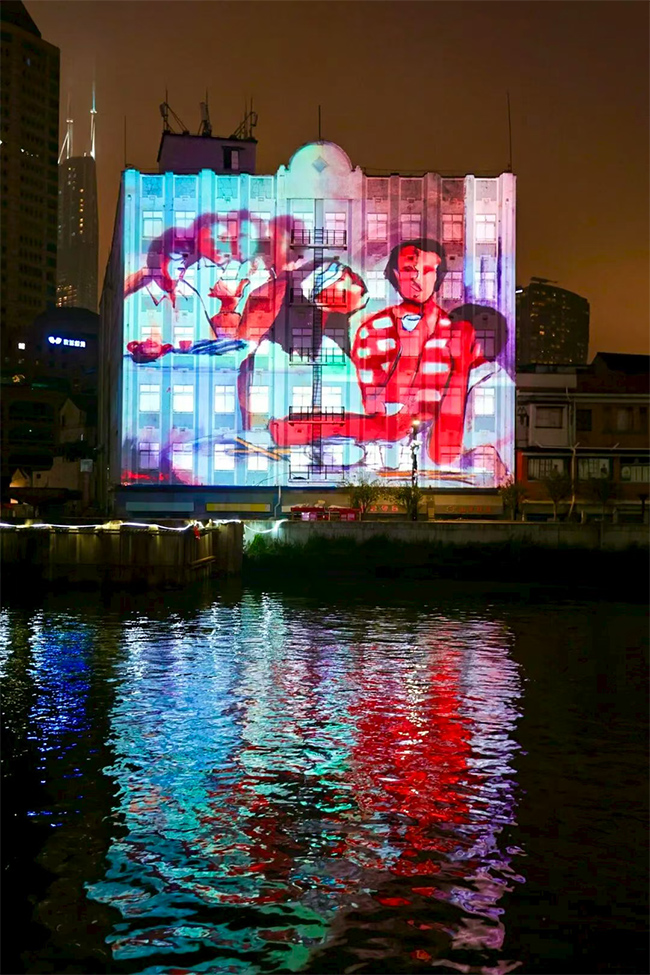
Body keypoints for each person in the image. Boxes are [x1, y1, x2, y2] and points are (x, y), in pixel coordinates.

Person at [269, 239, 487, 466]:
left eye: (427, 271)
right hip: (385, 446)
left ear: (438, 275)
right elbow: (375, 406)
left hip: (429, 446)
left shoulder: (457, 336)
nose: (417, 279)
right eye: (408, 270)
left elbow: (447, 435)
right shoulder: (372, 331)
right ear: (396, 274)